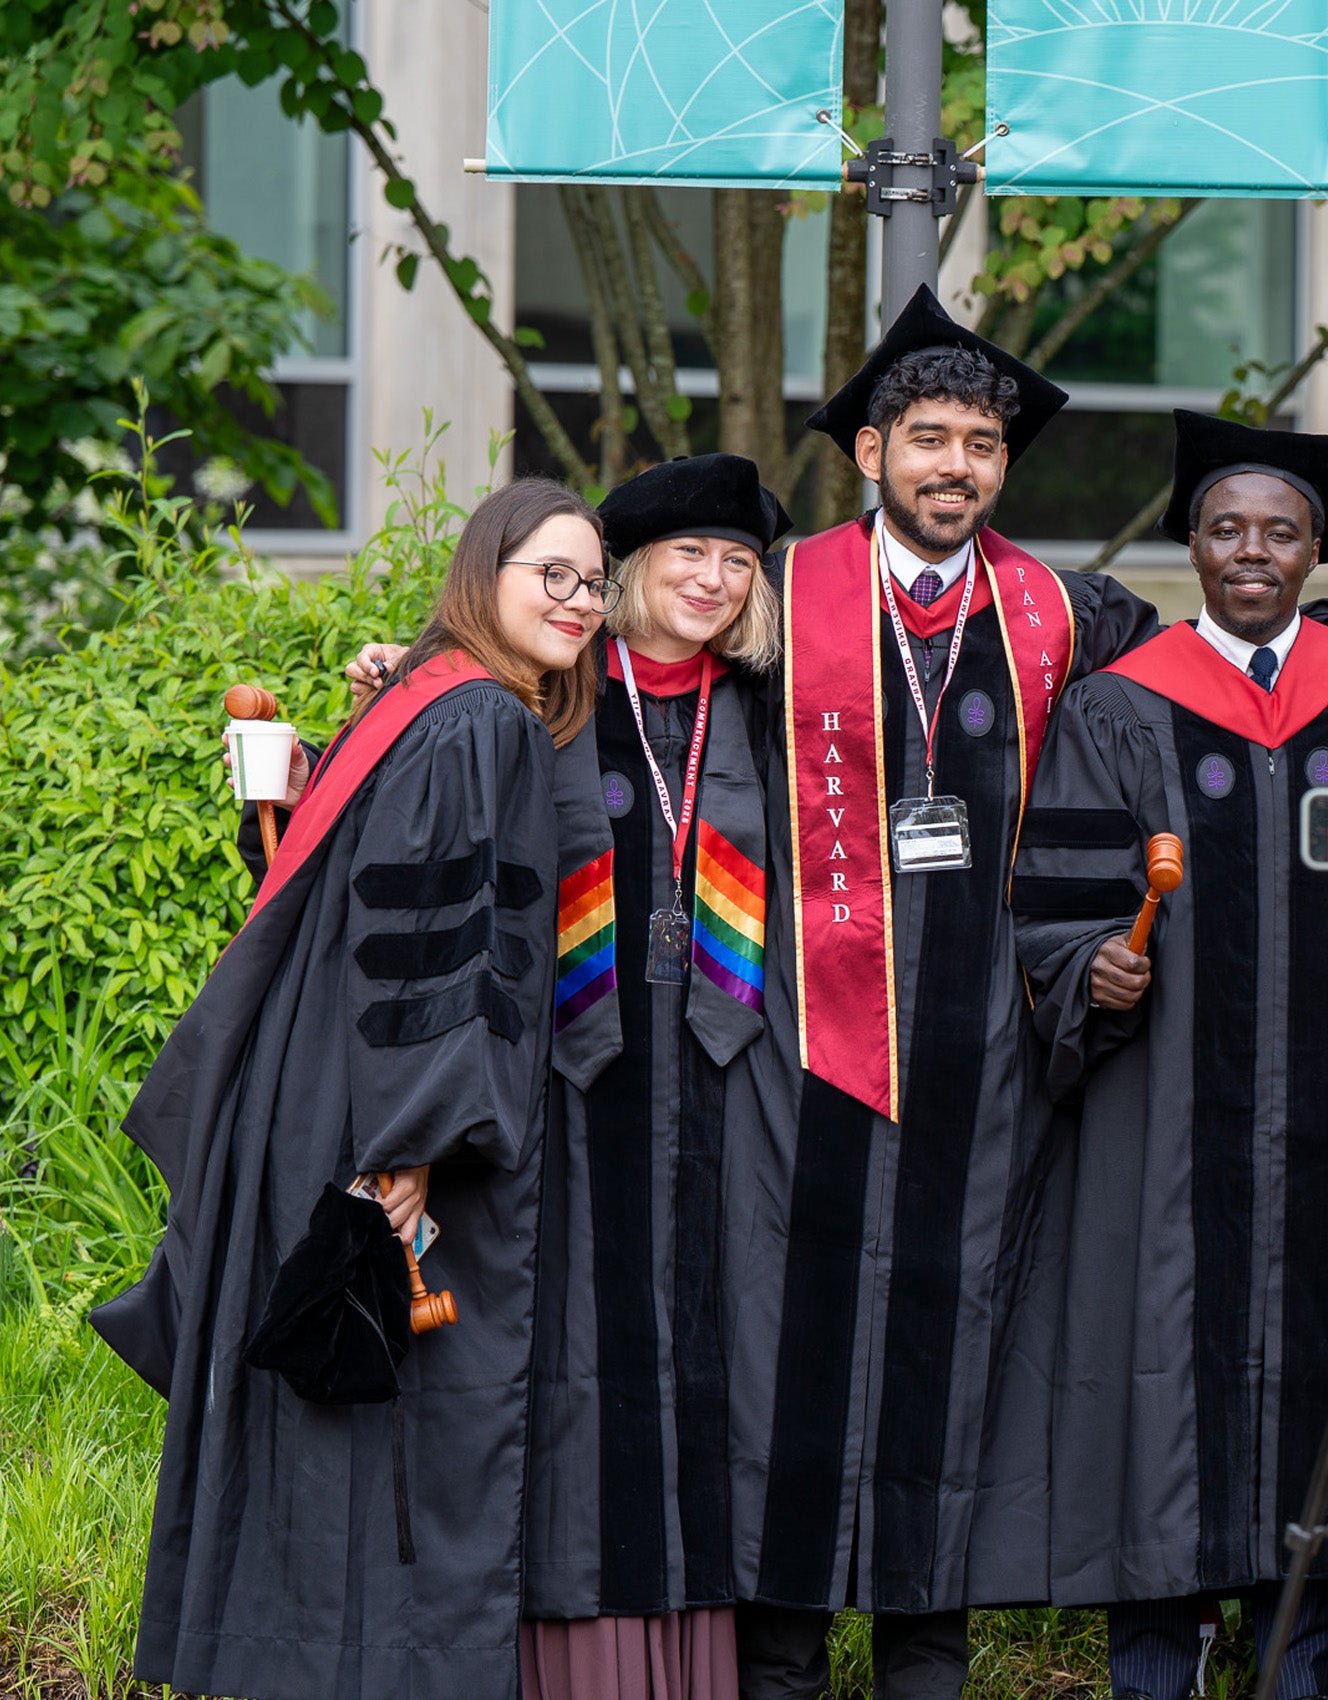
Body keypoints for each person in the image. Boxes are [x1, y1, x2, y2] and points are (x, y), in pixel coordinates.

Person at [90, 478, 617, 1700]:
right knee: (402, 1423)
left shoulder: (425, 699)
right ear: (486, 568)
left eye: (593, 580)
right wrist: (418, 1138)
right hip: (381, 1121)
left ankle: (291, 1657)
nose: (581, 600)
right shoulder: (479, 718)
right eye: (555, 573)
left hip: (312, 1098)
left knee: (328, 1419)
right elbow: (445, 951)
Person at [719, 287, 1162, 1700]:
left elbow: (1228, 674)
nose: (956, 465)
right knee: (789, 1341)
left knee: (952, 1334)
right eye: (927, 438)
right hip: (803, 1039)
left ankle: (925, 1652)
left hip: (984, 1052)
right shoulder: (776, 598)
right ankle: (777, 1654)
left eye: (980, 442)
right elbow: (617, 661)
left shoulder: (1058, 612)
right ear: (865, 452)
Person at [1006, 412, 1328, 1700]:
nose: (1251, 550)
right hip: (1169, 1124)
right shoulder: (1121, 708)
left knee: (1326, 1390)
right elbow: (1052, 909)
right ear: (1191, 542)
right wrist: (1085, 968)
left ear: (1315, 549)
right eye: (1226, 528)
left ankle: (1301, 1671)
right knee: (1163, 1400)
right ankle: (1153, 1671)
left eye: (1280, 532)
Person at [518, 454, 791, 1700]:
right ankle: (583, 1648)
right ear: (630, 567)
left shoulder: (769, 708)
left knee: (715, 1342)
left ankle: (697, 1650)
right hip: (579, 1074)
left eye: (738, 561)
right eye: (691, 553)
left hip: (724, 1076)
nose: (715, 578)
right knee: (580, 1337)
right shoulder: (554, 693)